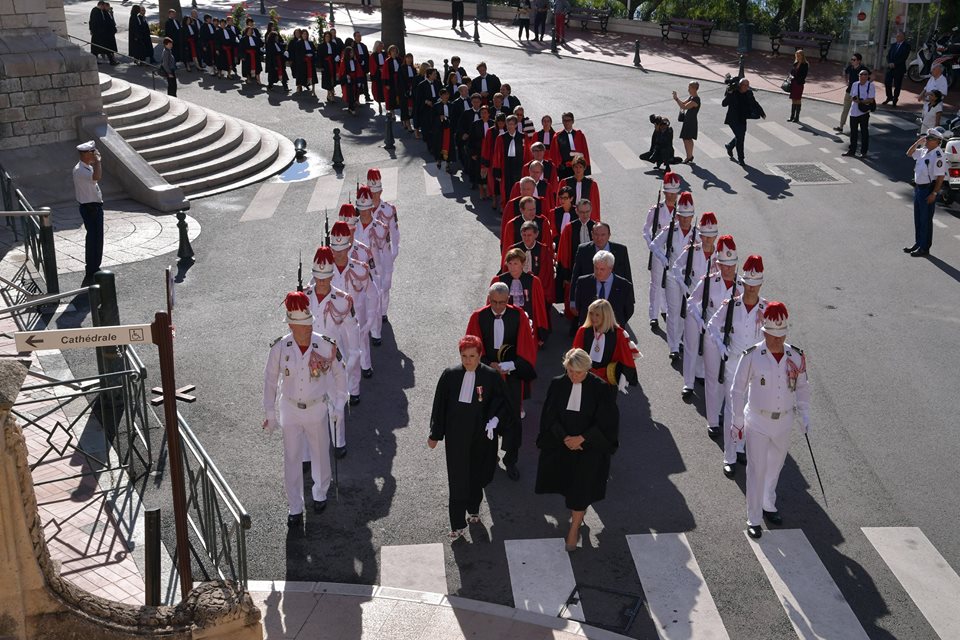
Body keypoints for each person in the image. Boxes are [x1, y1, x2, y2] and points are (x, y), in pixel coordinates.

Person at [263, 291, 348, 527]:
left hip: (316, 407)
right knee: (292, 459)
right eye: (302, 328)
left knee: (320, 453)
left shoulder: (325, 344)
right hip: (290, 408)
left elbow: (340, 374)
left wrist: (340, 404)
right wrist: (269, 413)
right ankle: (295, 506)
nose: (307, 331)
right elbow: (270, 379)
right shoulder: (281, 347)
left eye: (309, 326)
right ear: (291, 325)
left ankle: (320, 493)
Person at [731, 302, 810, 539]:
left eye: (781, 336)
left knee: (775, 465)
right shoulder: (753, 356)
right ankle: (753, 518)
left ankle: (768, 502)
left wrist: (805, 414)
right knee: (756, 469)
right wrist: (737, 421)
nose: (777, 341)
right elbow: (737, 390)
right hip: (757, 420)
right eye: (772, 336)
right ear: (764, 332)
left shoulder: (796, 356)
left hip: (784, 421)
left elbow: (803, 387)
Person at [535, 348, 619, 552]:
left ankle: (573, 529)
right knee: (569, 486)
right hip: (563, 446)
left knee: (581, 489)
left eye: (578, 372)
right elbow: (549, 415)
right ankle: (578, 515)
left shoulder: (600, 388)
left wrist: (583, 438)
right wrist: (565, 438)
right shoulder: (558, 384)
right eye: (570, 371)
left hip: (590, 449)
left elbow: (607, 422)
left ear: (588, 369)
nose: (574, 376)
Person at [429, 336, 513, 540]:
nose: (468, 361)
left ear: (480, 355)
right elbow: (440, 406)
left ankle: (474, 509)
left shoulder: (491, 376)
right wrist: (435, 434)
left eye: (472, 356)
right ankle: (457, 523)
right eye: (464, 356)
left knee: (478, 474)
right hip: (457, 436)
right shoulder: (450, 375)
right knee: (457, 479)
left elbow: (502, 402)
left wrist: (495, 420)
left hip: (483, 434)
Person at [465, 283, 538, 481]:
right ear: (489, 299)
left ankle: (511, 460)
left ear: (508, 300)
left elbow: (527, 349)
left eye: (502, 303)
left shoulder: (519, 316)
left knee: (513, 419)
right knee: (485, 417)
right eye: (494, 302)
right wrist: (490, 364)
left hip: (511, 377)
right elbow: (471, 347)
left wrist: (507, 366)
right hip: (486, 376)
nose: (498, 307)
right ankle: (489, 457)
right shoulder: (478, 316)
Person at [703, 255, 767, 477]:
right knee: (732, 410)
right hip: (733, 364)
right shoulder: (732, 305)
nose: (750, 289)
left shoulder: (767, 309)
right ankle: (729, 456)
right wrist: (721, 347)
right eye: (748, 284)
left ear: (760, 284)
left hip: (757, 369)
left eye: (755, 285)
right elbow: (712, 325)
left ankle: (741, 448)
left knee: (751, 411)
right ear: (744, 283)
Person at [306, 246, 361, 409]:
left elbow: (353, 327)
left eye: (325, 278)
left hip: (332, 358)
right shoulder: (304, 297)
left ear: (332, 276)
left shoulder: (342, 300)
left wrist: (353, 354)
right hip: (308, 358)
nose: (321, 282)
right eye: (317, 278)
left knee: (336, 410)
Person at [684, 234, 736, 403]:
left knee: (726, 375)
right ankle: (689, 384)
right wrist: (699, 319)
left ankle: (721, 409)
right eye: (724, 265)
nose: (727, 269)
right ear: (718, 264)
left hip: (728, 335)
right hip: (707, 326)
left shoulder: (741, 286)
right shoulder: (709, 281)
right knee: (693, 350)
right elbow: (691, 301)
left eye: (731, 265)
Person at [669, 211, 717, 377]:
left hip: (711, 306)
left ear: (716, 236)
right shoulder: (692, 251)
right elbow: (676, 267)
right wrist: (684, 286)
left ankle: (700, 372)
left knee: (705, 342)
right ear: (700, 235)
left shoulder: (721, 258)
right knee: (691, 343)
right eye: (704, 236)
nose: (707, 240)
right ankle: (688, 383)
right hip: (693, 302)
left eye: (711, 236)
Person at [329, 222, 379, 380]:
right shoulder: (326, 268)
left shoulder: (359, 264)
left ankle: (365, 365)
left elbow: (373, 291)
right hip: (335, 315)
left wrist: (371, 319)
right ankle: (345, 378)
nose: (338, 253)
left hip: (357, 310)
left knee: (361, 340)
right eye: (334, 250)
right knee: (340, 346)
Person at [653, 192, 696, 359]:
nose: (685, 220)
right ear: (677, 216)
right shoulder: (670, 230)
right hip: (672, 276)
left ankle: (680, 338)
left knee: (687, 312)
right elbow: (654, 244)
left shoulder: (697, 234)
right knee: (673, 310)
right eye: (682, 217)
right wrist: (663, 258)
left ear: (692, 216)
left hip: (690, 279)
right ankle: (674, 346)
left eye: (688, 217)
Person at [573, 299, 639, 392]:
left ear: (606, 316)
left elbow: (626, 356)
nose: (593, 317)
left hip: (608, 381)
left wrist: (624, 375)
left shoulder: (618, 333)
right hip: (585, 378)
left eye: (597, 315)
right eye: (591, 313)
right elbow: (575, 356)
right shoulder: (583, 331)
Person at [644, 171, 681, 331]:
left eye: (675, 193)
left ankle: (665, 310)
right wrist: (652, 244)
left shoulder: (682, 211)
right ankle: (653, 315)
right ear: (664, 192)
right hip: (659, 251)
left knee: (671, 283)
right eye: (669, 193)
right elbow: (646, 229)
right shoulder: (656, 210)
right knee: (656, 283)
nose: (672, 196)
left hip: (676, 253)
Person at [492, 248, 549, 345]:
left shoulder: (533, 281)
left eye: (515, 263)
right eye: (510, 263)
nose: (512, 267)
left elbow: (539, 308)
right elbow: (491, 306)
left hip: (527, 325)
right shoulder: (498, 281)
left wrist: (541, 332)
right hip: (505, 326)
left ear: (522, 264)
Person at [904, 129, 946, 257]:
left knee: (925, 220)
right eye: (927, 138)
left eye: (930, 139)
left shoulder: (938, 155)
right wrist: (918, 142)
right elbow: (909, 153)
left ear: (938, 142)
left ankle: (924, 248)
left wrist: (934, 193)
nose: (927, 140)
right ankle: (918, 243)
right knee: (918, 218)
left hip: (927, 190)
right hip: (918, 188)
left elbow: (940, 177)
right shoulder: (924, 151)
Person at [570, 222, 632, 307]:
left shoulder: (621, 250)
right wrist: (573, 301)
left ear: (609, 235)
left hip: (614, 298)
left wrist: (630, 299)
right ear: (591, 234)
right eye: (596, 234)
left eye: (603, 235)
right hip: (590, 299)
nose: (599, 238)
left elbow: (627, 274)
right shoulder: (583, 250)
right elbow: (576, 275)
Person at [366, 169, 400, 318]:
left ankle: (383, 312)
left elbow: (395, 232)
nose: (374, 196)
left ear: (381, 192)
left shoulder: (389, 209)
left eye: (376, 193)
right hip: (367, 256)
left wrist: (394, 252)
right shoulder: (361, 211)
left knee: (385, 287)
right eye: (371, 193)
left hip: (384, 253)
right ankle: (372, 312)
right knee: (369, 288)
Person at [573, 250, 634, 329]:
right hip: (589, 329)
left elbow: (628, 310)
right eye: (596, 268)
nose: (598, 272)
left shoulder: (624, 286)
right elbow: (579, 306)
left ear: (611, 268)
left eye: (602, 269)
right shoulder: (583, 282)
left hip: (613, 330)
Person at [72, 141, 104, 287]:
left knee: (96, 240)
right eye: (92, 152)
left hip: (93, 207)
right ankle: (91, 270)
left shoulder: (85, 167)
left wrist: (95, 162)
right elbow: (97, 177)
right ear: (86, 154)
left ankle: (94, 268)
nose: (95, 154)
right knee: (94, 241)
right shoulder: (81, 170)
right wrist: (98, 162)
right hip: (91, 209)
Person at [557, 197, 595, 316]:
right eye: (582, 212)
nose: (585, 215)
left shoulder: (596, 227)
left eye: (587, 211)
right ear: (577, 211)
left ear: (591, 210)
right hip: (575, 268)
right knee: (574, 298)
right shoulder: (569, 228)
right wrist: (566, 273)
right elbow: (563, 252)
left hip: (593, 268)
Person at [505, 220, 556, 309]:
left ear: (536, 235)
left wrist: (536, 288)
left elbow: (547, 273)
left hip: (536, 289)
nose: (526, 238)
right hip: (517, 288)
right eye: (524, 235)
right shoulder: (513, 249)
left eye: (529, 235)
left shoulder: (543, 250)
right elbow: (507, 270)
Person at [722, 78, 764, 166]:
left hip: (742, 119)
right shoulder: (733, 92)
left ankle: (729, 146)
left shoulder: (749, 93)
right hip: (733, 119)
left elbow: (754, 103)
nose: (746, 87)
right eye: (744, 85)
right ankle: (741, 159)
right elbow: (724, 104)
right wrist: (729, 93)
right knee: (740, 137)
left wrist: (761, 112)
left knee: (740, 136)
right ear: (739, 85)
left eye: (747, 85)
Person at [494, 115, 527, 211]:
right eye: (508, 124)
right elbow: (497, 155)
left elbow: (527, 154)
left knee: (518, 187)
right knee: (506, 188)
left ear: (516, 125)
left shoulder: (522, 137)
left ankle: (519, 207)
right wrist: (497, 171)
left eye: (512, 124)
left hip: (519, 166)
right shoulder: (501, 138)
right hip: (506, 166)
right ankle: (505, 207)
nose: (510, 126)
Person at [843, 69, 875, 159]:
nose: (862, 78)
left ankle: (863, 152)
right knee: (853, 132)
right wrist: (855, 99)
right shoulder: (855, 84)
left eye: (864, 76)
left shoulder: (870, 85)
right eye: (861, 76)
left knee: (864, 132)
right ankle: (852, 150)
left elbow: (871, 99)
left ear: (867, 77)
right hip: (854, 112)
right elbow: (852, 96)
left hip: (864, 112)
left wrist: (861, 101)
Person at [558, 154, 600, 219]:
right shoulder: (565, 182)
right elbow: (560, 201)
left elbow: (594, 205)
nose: (578, 169)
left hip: (585, 215)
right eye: (576, 167)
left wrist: (594, 222)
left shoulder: (592, 184)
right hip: (569, 215)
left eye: (580, 167)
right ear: (573, 168)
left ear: (584, 168)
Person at [835, 53, 868, 133]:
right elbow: (845, 73)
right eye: (851, 59)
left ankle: (858, 128)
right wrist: (846, 81)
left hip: (857, 94)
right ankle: (841, 126)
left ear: (859, 61)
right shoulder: (850, 67)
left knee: (857, 111)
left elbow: (872, 76)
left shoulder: (863, 69)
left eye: (854, 60)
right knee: (845, 110)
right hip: (849, 91)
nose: (852, 61)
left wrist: (865, 84)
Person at [556, 112, 591, 180]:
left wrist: (587, 168)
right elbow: (556, 154)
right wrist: (558, 168)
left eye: (568, 120)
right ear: (562, 122)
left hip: (579, 168)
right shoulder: (558, 136)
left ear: (573, 121)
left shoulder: (580, 135)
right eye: (564, 120)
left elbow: (585, 151)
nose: (566, 122)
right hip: (565, 169)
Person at [673, 81, 700, 163]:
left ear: (694, 88)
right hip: (688, 120)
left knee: (687, 139)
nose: (688, 89)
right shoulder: (691, 97)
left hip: (691, 122)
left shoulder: (696, 100)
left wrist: (676, 99)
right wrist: (677, 99)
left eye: (689, 88)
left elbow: (683, 106)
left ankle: (689, 157)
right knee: (688, 139)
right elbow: (683, 103)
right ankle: (690, 156)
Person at [883, 31, 911, 106]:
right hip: (890, 68)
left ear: (903, 37)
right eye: (897, 36)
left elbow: (904, 57)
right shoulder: (893, 45)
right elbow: (888, 56)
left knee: (897, 85)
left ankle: (895, 99)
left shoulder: (907, 46)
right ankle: (889, 97)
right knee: (887, 82)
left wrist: (895, 63)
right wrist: (889, 63)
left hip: (899, 68)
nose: (897, 38)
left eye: (899, 36)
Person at [787, 49, 808, 123]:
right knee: (793, 99)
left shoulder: (805, 65)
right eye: (796, 55)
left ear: (802, 56)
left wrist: (796, 78)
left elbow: (804, 75)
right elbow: (791, 72)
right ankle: (792, 116)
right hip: (793, 83)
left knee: (798, 99)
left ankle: (797, 117)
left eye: (799, 56)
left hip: (799, 84)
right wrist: (790, 76)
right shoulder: (795, 63)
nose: (798, 57)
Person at [319, 31, 338, 102]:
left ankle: (329, 94)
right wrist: (321, 66)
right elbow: (320, 56)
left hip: (332, 64)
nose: (327, 38)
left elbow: (336, 53)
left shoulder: (333, 45)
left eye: (328, 37)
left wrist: (337, 57)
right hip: (325, 65)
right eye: (326, 36)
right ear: (324, 37)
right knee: (327, 79)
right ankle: (330, 94)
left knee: (332, 78)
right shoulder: (321, 46)